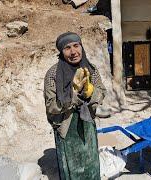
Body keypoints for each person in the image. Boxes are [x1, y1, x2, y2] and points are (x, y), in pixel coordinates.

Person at [44, 32, 106, 180]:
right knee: (72, 169)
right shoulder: (53, 73)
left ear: (81, 46)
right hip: (66, 126)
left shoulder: (90, 69)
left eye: (76, 46)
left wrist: (90, 93)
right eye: (67, 48)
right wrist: (73, 97)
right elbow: (50, 105)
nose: (73, 52)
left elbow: (102, 91)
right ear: (61, 51)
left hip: (88, 124)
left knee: (90, 163)